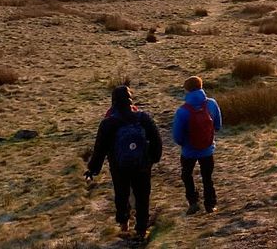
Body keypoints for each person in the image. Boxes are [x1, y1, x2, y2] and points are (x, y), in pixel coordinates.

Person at [85, 86, 163, 241]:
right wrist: (153, 159)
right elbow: (157, 140)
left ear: (113, 101)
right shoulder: (143, 118)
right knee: (142, 196)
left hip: (119, 166)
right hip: (142, 165)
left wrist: (93, 169)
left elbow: (99, 149)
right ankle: (141, 229)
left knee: (121, 193)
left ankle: (124, 223)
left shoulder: (108, 123)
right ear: (130, 100)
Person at [171, 76, 222, 215]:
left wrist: (184, 144)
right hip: (207, 149)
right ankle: (210, 205)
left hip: (188, 151)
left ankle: (193, 202)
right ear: (201, 86)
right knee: (207, 177)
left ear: (186, 90)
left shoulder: (182, 111)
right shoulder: (212, 104)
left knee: (187, 175)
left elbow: (177, 135)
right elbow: (218, 125)